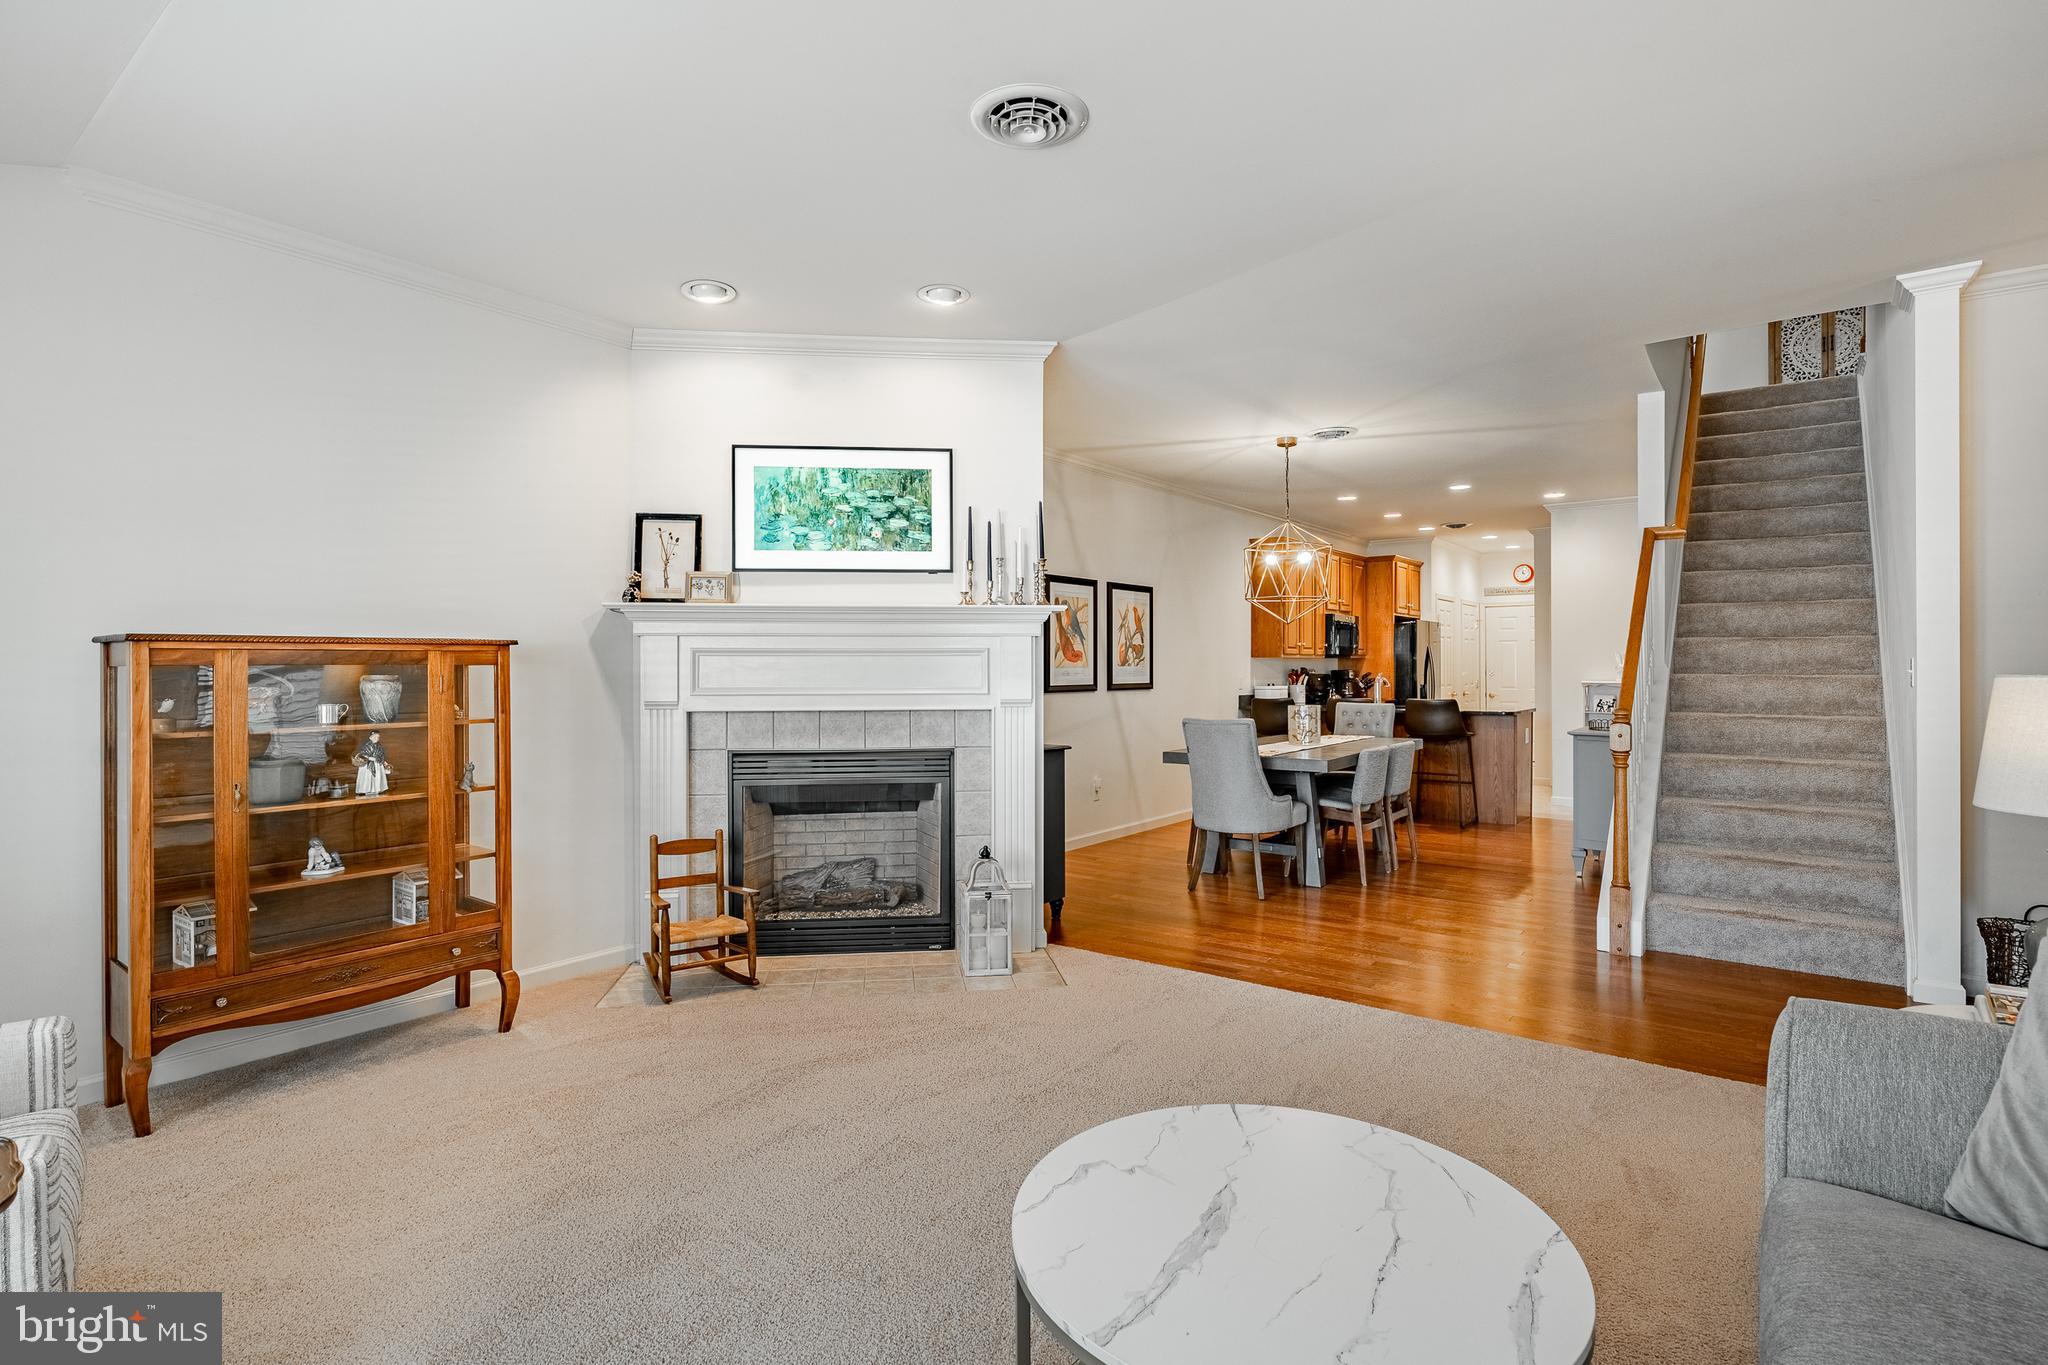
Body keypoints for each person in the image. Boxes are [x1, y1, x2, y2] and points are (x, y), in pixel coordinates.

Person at [352, 731, 393, 797]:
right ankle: (366, 790)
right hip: (368, 765)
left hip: (378, 764)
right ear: (370, 737)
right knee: (367, 777)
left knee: (377, 776)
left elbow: (381, 756)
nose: (377, 738)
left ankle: (376, 789)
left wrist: (385, 763)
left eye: (378, 737)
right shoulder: (367, 746)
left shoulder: (379, 746)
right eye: (375, 737)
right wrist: (372, 758)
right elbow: (364, 755)